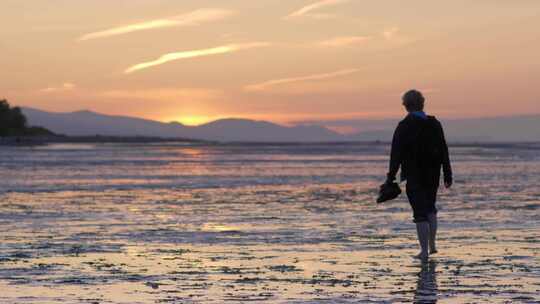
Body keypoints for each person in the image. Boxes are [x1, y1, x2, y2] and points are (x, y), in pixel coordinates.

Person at [386, 89, 452, 262]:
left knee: (419, 212)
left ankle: (424, 251)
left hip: (414, 174)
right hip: (433, 173)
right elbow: (444, 149)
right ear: (422, 104)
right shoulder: (434, 123)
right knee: (430, 207)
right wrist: (447, 173)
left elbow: (396, 153)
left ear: (406, 106)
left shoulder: (404, 125)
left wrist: (390, 176)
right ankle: (432, 245)